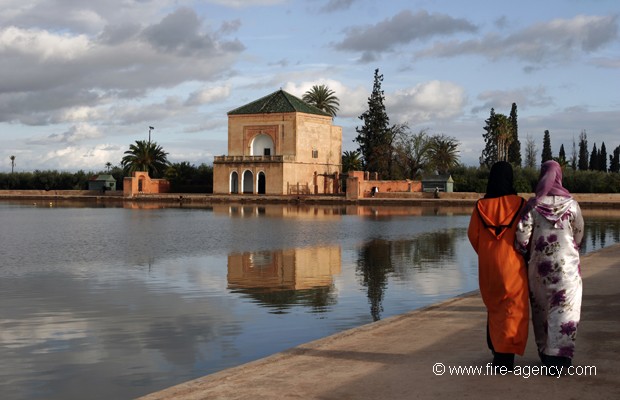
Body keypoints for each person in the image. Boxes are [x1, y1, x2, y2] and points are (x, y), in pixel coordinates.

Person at [515, 160, 584, 370]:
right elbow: (579, 234)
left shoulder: (533, 205)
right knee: (566, 308)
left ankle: (546, 354)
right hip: (567, 267)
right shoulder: (572, 205)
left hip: (539, 268)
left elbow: (521, 237)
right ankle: (561, 357)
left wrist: (526, 250)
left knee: (541, 308)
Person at [468, 161, 529, 370]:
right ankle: (505, 355)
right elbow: (526, 235)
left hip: (489, 266)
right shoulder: (520, 204)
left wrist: (486, 252)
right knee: (513, 308)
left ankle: (496, 348)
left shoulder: (480, 207)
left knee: (494, 307)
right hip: (513, 265)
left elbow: (472, 236)